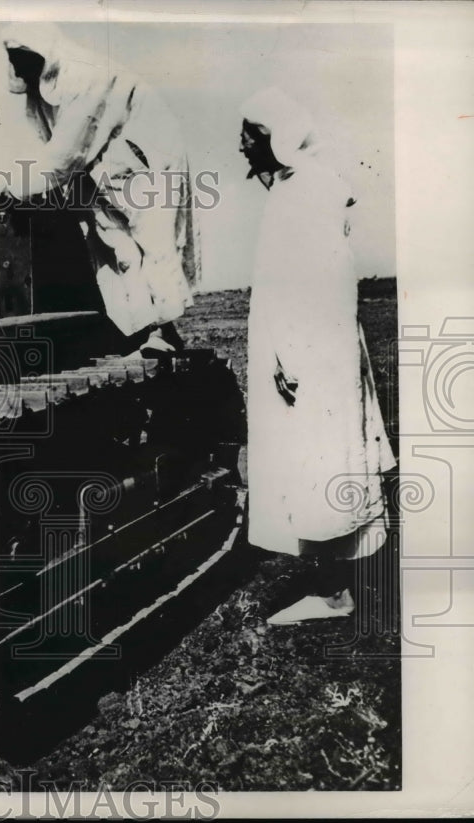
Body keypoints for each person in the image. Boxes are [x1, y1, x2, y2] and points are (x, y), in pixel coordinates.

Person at [239, 86, 397, 625]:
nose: (240, 145)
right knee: (320, 459)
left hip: (312, 353)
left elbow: (324, 283)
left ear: (274, 137)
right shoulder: (300, 186)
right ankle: (333, 586)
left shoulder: (305, 191)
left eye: (249, 134)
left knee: (321, 457)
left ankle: (334, 594)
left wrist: (291, 358)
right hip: (312, 350)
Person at [0, 23, 201, 354]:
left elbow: (66, 152)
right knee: (113, 246)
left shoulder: (87, 78)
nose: (17, 65)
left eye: (21, 56)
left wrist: (16, 188)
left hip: (147, 159)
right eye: (11, 57)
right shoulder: (42, 90)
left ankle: (162, 332)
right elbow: (46, 145)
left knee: (153, 239)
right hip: (102, 166)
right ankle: (143, 332)